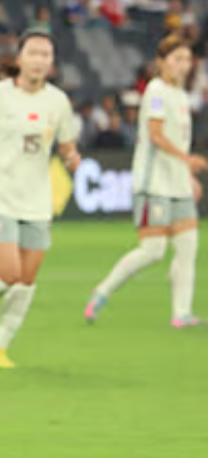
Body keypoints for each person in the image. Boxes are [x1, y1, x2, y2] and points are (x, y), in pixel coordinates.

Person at [0, 31, 82, 368]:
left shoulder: (58, 102)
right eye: (33, 53)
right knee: (8, 272)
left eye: (46, 54)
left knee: (26, 281)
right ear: (20, 57)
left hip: (38, 201)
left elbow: (66, 144)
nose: (39, 60)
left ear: (52, 63)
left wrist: (72, 157)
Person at [86, 35, 206, 327]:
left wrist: (187, 175)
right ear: (161, 62)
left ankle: (181, 313)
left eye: (187, 60)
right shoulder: (156, 91)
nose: (183, 65)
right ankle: (103, 290)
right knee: (153, 251)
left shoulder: (181, 95)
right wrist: (187, 159)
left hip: (178, 183)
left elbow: (178, 139)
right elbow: (156, 135)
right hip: (154, 183)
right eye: (177, 59)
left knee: (188, 246)